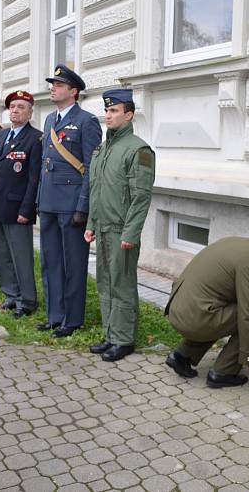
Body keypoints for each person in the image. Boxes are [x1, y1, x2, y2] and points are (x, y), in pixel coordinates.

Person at [164, 230, 249, 388]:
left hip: (179, 310)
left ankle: (182, 356)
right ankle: (223, 372)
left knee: (222, 312)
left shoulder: (239, 243)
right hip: (196, 317)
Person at [85, 89, 155, 362]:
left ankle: (124, 339)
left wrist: (131, 232)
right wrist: (91, 223)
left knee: (122, 284)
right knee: (105, 283)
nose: (108, 115)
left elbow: (141, 197)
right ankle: (110, 334)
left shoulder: (138, 150)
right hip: (102, 228)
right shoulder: (104, 148)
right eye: (106, 111)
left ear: (129, 114)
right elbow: (96, 189)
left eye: (114, 111)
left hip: (120, 231)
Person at [36, 64, 102, 338]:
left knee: (73, 263)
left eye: (59, 85)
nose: (53, 87)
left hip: (72, 203)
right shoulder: (50, 120)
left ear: (73, 91)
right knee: (50, 261)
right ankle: (55, 315)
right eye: (53, 84)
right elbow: (44, 164)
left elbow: (91, 168)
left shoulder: (87, 121)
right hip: (50, 202)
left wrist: (83, 206)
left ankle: (72, 319)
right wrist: (40, 200)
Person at [0, 90, 42, 318]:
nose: (15, 110)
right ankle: (11, 294)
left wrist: (27, 209)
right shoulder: (2, 135)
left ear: (30, 112)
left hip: (17, 208)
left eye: (21, 107)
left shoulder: (35, 138)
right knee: (3, 254)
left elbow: (34, 179)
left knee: (21, 255)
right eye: (12, 107)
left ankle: (27, 300)